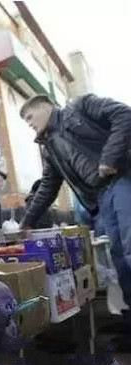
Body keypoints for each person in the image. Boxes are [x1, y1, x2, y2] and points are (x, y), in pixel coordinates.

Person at [19, 94, 131, 320]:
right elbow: (48, 187)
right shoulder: (49, 148)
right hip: (100, 197)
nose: (30, 124)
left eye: (30, 117)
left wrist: (109, 157)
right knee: (120, 260)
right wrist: (26, 222)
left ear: (45, 107)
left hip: (121, 179)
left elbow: (124, 114)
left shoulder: (80, 107)